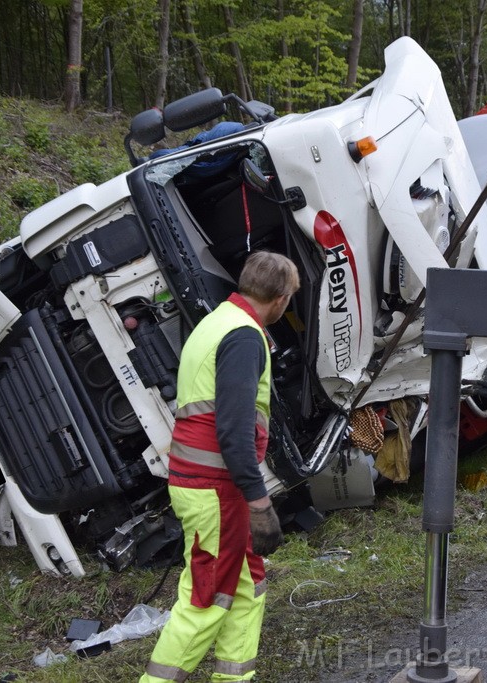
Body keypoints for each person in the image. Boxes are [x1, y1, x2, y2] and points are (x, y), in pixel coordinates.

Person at [141, 251, 300, 683]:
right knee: (207, 598)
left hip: (205, 482)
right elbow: (234, 429)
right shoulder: (246, 336)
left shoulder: (217, 322)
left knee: (247, 585)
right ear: (282, 298)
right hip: (216, 488)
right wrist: (259, 501)